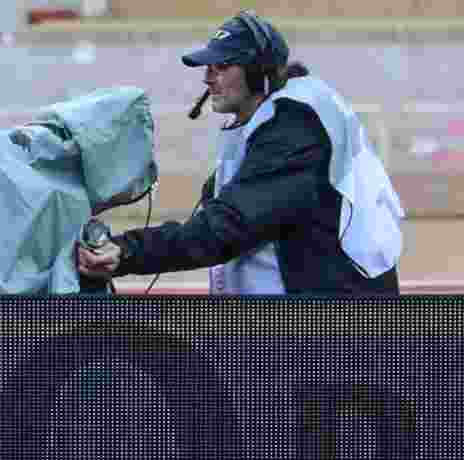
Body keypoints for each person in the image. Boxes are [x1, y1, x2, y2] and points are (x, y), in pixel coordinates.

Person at [76, 11, 403, 295]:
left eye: (220, 66)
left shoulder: (294, 129)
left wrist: (127, 252)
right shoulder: (276, 124)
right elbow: (215, 220)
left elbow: (226, 227)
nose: (207, 78)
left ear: (257, 71)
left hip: (332, 328)